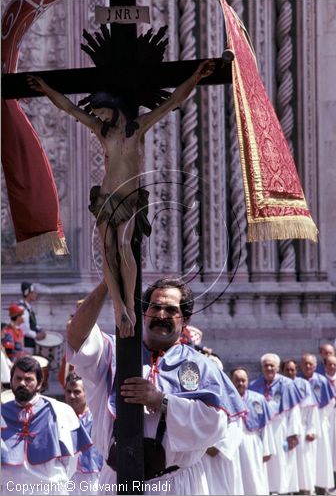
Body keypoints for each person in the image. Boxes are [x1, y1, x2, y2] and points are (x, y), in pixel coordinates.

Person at [27, 60, 216, 339]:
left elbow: (173, 100)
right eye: (98, 116)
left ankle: (129, 302)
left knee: (124, 244)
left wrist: (197, 76)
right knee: (108, 251)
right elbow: (69, 108)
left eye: (103, 114)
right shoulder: (101, 131)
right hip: (105, 198)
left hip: (128, 198)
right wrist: (45, 89)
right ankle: (118, 307)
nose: (100, 119)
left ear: (114, 109)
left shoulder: (138, 127)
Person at [66, 278, 245, 495]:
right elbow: (77, 336)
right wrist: (110, 281)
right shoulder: (114, 352)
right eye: (155, 307)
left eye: (171, 310)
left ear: (185, 318)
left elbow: (215, 426)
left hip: (173, 484)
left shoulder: (201, 365)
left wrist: (161, 401)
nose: (161, 315)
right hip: (115, 480)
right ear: (144, 312)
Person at [1, 356, 92, 495]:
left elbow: (72, 459)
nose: (22, 383)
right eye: (18, 378)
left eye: (28, 379)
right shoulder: (1, 412)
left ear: (39, 384)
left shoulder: (61, 411)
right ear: (11, 381)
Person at [249, 353, 303, 494]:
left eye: (272, 365)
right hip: (262, 430)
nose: (269, 368)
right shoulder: (254, 385)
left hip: (281, 429)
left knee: (281, 463)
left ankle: (283, 491)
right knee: (265, 464)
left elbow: (294, 410)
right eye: (266, 365)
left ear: (278, 368)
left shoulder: (287, 384)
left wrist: (293, 434)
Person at [230, 367, 275, 495]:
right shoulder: (226, 399)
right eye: (237, 380)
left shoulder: (259, 399)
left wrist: (267, 449)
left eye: (243, 380)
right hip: (234, 447)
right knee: (237, 479)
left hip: (253, 444)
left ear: (248, 381)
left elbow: (266, 426)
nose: (240, 383)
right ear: (231, 381)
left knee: (255, 478)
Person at [282, 359, 320, 495]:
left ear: (296, 370)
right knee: (287, 467)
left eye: (293, 369)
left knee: (303, 466)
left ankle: (304, 491)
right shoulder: (280, 386)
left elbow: (312, 410)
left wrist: (311, 430)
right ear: (282, 371)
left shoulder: (303, 384)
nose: (290, 372)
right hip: (284, 432)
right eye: (287, 370)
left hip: (303, 432)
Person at [299, 353, 336, 494]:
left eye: (310, 364)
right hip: (303, 423)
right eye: (305, 363)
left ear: (315, 366)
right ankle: (306, 486)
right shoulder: (298, 382)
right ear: (301, 365)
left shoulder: (322, 381)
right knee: (305, 456)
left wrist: (321, 418)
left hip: (319, 421)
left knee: (321, 456)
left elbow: (331, 402)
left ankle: (321, 485)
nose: (308, 366)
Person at [65, 372, 103, 495]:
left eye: (77, 392)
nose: (72, 396)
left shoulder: (97, 417)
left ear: (86, 392)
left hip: (93, 474)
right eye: (68, 391)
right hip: (67, 475)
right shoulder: (61, 416)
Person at [18, 282, 46, 351]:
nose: (36, 294)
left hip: (31, 344)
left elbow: (32, 323)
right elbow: (25, 330)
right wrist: (36, 336)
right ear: (28, 294)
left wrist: (40, 329)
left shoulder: (28, 308)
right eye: (33, 292)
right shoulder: (22, 309)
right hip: (27, 346)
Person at [324, 355, 336, 491]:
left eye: (335, 364)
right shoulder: (321, 381)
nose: (332, 367)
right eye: (330, 364)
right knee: (328, 448)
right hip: (326, 417)